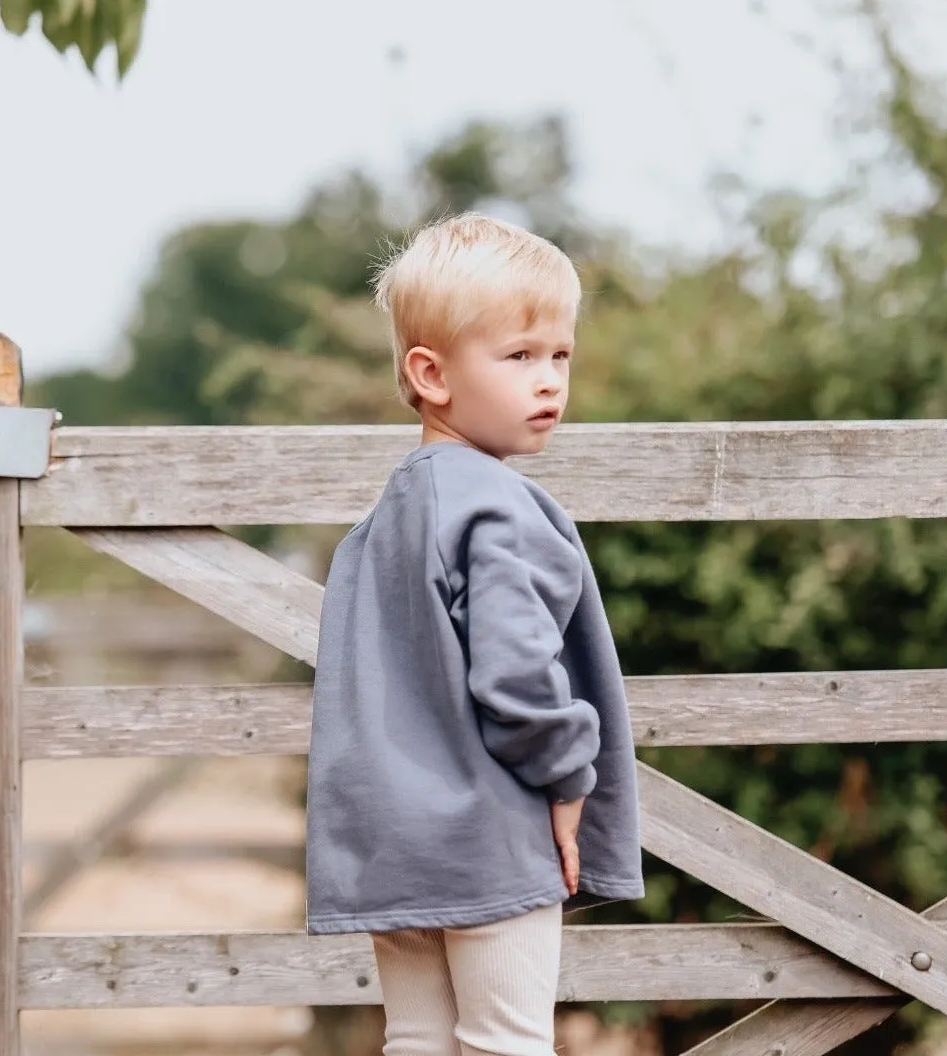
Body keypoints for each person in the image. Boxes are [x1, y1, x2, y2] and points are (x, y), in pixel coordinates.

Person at [305, 212, 643, 1056]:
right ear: (431, 373)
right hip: (490, 838)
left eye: (560, 354)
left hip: (394, 839)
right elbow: (519, 678)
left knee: (417, 1039)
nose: (550, 381)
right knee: (507, 1042)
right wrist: (570, 779)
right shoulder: (496, 505)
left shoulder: (385, 517)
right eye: (519, 355)